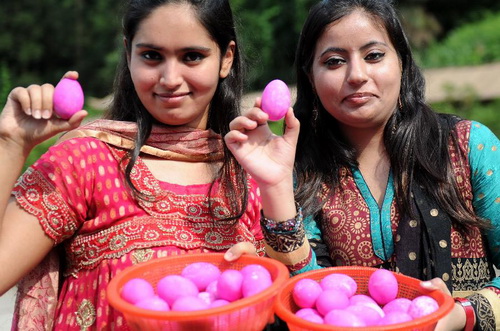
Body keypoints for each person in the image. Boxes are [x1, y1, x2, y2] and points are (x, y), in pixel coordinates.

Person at [225, 0, 500, 330]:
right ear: (310, 77)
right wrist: (276, 186)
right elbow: (311, 298)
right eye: (335, 61)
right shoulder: (302, 170)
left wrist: (461, 315)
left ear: (402, 63)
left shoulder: (467, 146)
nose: (357, 75)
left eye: (374, 56)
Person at [0, 0, 265, 329]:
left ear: (226, 58)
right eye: (152, 56)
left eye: (192, 57)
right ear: (129, 55)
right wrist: (10, 144)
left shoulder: (247, 178)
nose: (169, 78)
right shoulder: (87, 162)